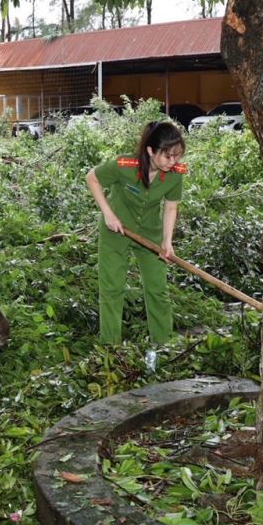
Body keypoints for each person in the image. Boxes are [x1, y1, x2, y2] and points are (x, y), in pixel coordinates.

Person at [85, 121, 187, 357]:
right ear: (151, 151)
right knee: (112, 289)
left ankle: (163, 346)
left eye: (177, 156)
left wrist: (167, 242)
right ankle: (111, 349)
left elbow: (171, 208)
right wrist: (108, 214)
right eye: (168, 156)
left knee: (157, 289)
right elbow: (92, 178)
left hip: (149, 234)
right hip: (116, 231)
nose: (174, 162)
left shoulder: (174, 175)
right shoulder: (125, 165)